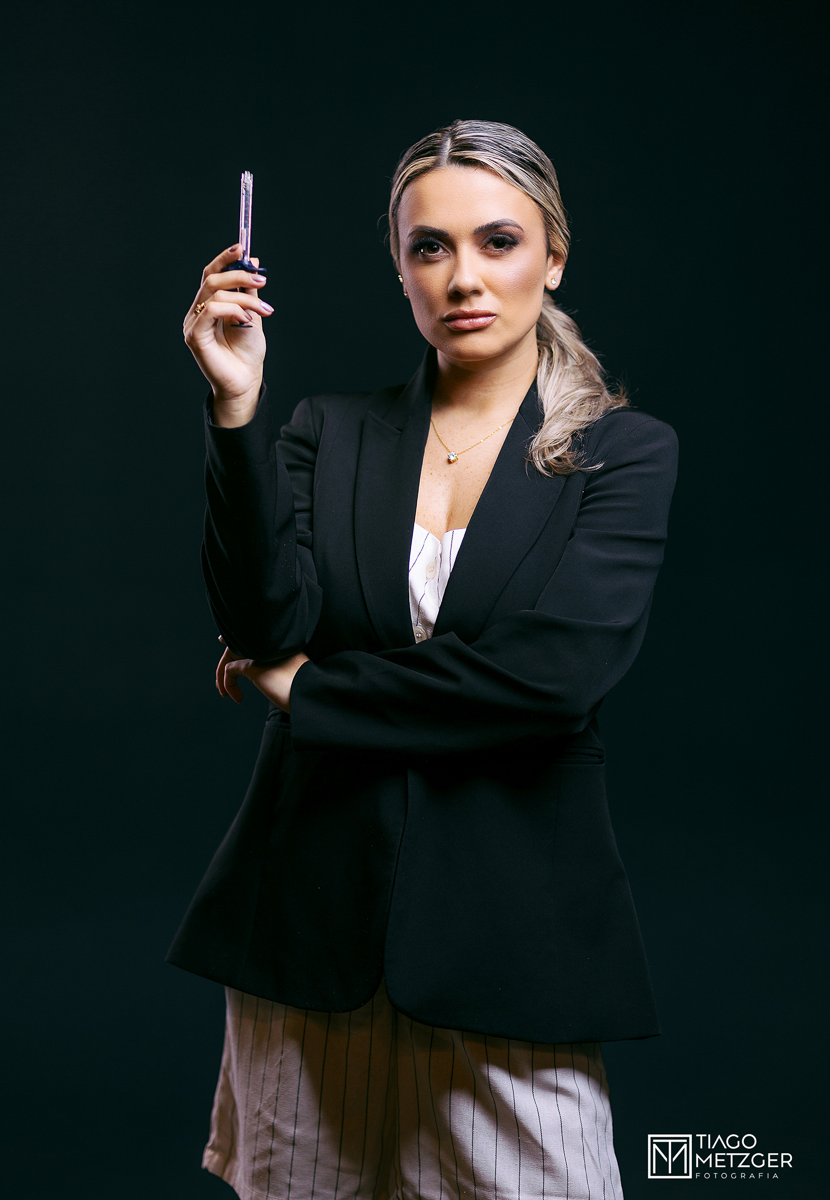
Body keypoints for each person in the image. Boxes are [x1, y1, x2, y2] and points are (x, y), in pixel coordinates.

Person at [167, 119, 679, 1200]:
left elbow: (545, 682)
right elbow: (261, 618)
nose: (463, 277)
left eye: (499, 241)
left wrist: (311, 690)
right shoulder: (328, 430)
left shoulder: (622, 455)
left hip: (512, 945)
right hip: (309, 931)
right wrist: (236, 407)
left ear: (554, 256)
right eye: (430, 247)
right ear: (400, 268)